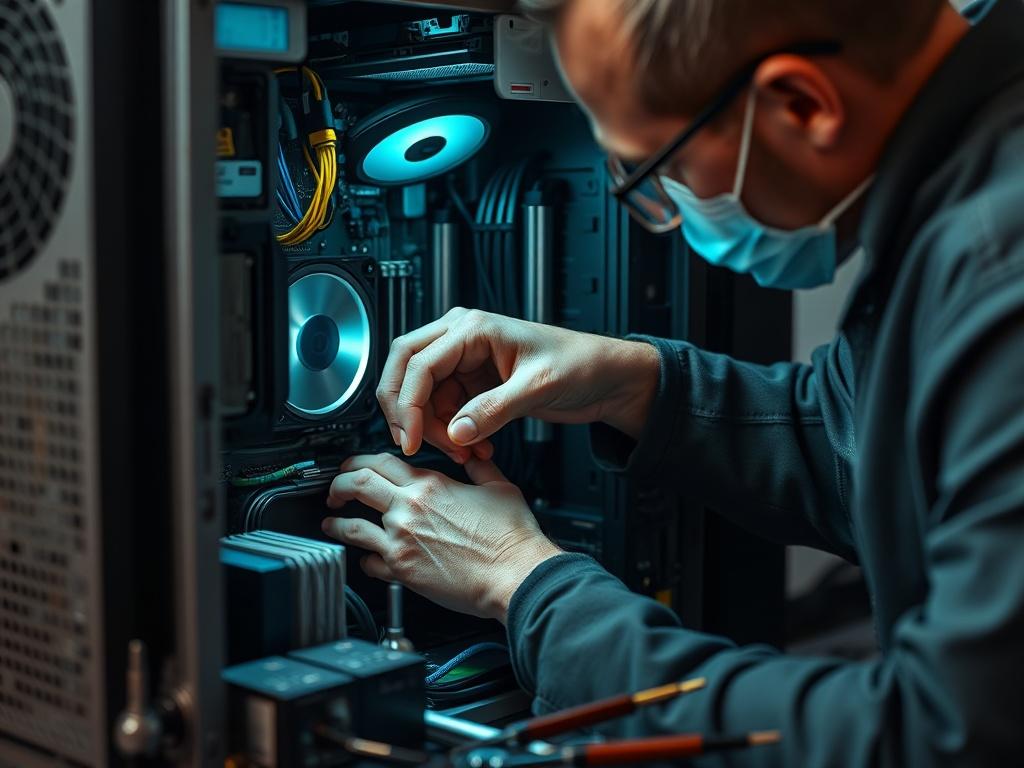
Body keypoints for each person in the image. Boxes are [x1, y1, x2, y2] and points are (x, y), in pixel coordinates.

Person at [322, 0, 1024, 762]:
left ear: (802, 105)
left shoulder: (1000, 269)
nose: (672, 209)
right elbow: (875, 446)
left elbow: (936, 739)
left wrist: (524, 584)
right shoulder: (968, 177)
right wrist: (637, 386)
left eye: (662, 168)